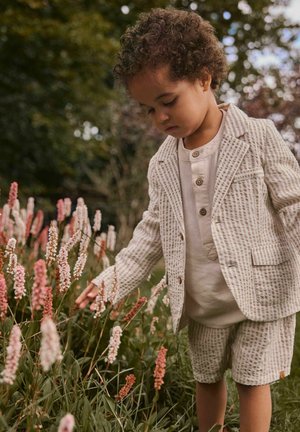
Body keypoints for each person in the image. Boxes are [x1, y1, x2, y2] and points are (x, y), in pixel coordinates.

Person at [75, 8, 300, 432]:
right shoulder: (162, 164)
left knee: (254, 381)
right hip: (202, 297)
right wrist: (114, 281)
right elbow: (151, 233)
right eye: (148, 110)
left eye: (167, 102)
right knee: (206, 378)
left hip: (261, 289)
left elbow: (293, 203)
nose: (160, 118)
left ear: (204, 78)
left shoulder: (257, 136)